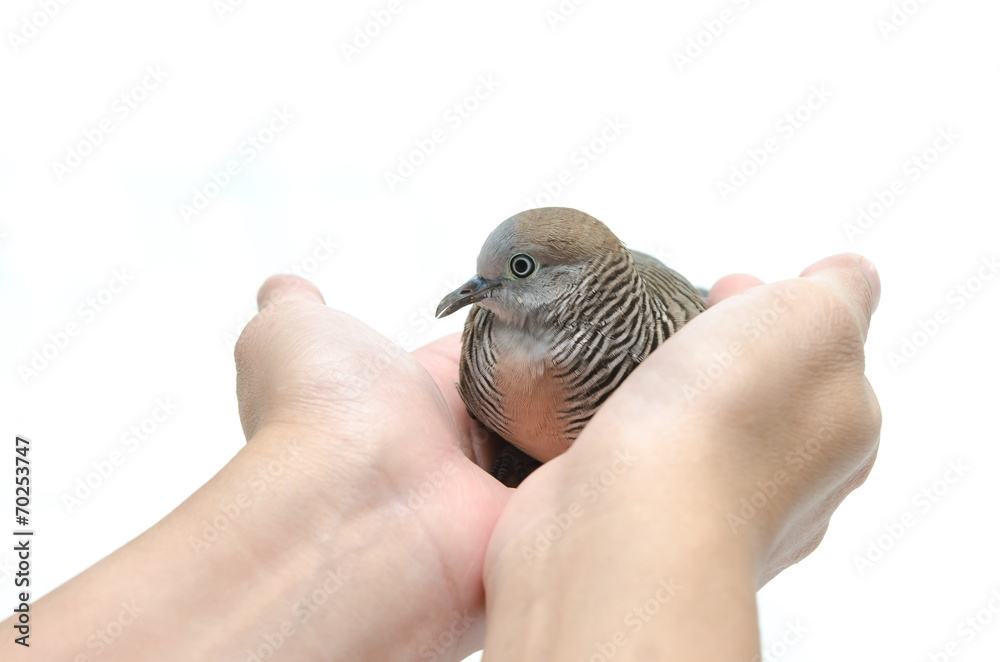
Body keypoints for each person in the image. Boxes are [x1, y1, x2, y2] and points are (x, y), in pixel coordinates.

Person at [2, 253, 881, 661]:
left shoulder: (654, 329)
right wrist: (671, 509)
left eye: (515, 274)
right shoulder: (484, 347)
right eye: (485, 279)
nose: (474, 296)